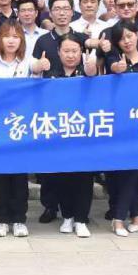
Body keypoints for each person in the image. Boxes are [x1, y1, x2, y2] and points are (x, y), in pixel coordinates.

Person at [0, 22, 47, 238]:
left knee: (19, 175)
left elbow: (37, 82)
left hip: (21, 125)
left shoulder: (28, 61)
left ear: (21, 40)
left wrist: (41, 66)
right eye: (6, 36)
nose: (11, 40)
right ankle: (0, 219)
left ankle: (19, 219)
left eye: (16, 36)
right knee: (0, 175)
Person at [104, 21, 138, 237]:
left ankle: (135, 213)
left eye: (129, 36)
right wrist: (118, 69)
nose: (126, 41)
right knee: (127, 172)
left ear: (137, 35)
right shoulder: (114, 59)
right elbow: (112, 69)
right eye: (121, 39)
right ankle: (122, 217)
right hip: (121, 126)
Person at [42, 34, 97, 237]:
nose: (71, 55)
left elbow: (92, 73)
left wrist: (91, 67)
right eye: (66, 51)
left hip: (83, 135)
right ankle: (67, 216)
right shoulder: (51, 74)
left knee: (83, 178)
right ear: (59, 52)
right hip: (59, 134)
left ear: (81, 52)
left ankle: (81, 219)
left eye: (75, 51)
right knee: (62, 177)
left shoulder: (87, 72)